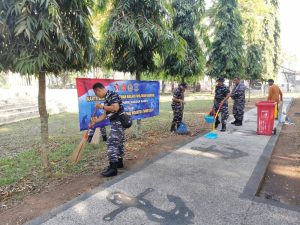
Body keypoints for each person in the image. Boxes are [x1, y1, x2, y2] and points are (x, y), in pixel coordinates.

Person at [90, 82, 125, 177]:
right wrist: (95, 121)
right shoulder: (107, 98)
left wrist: (101, 106)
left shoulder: (112, 95)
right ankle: (119, 163)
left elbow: (115, 108)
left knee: (111, 143)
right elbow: (104, 115)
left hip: (118, 122)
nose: (97, 95)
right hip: (116, 122)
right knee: (119, 143)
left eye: (96, 93)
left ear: (98, 90)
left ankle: (113, 168)